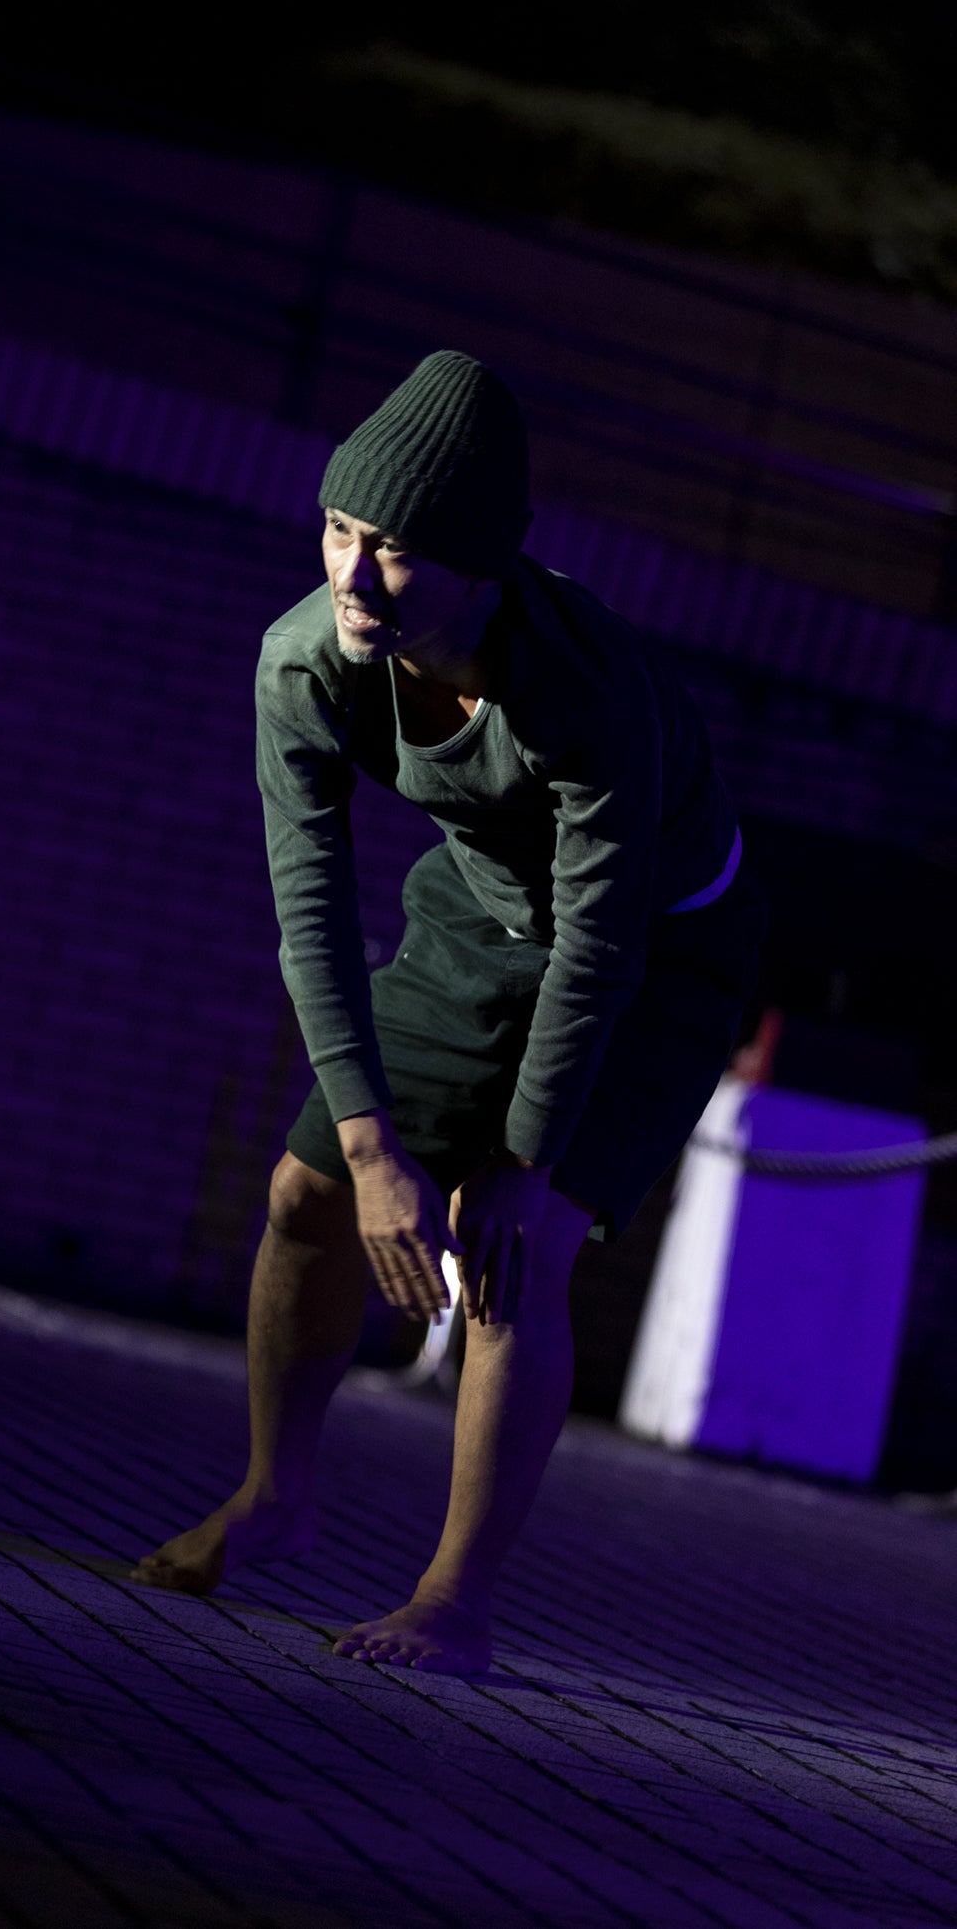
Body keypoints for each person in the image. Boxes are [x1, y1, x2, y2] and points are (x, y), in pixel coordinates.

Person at [133, 349, 764, 1673]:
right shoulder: (305, 661)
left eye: (398, 552)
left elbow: (599, 947)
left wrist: (522, 1165)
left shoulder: (585, 688)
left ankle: (452, 1600)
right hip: (477, 917)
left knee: (512, 1251)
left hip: (661, 949)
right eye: (339, 530)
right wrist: (370, 1149)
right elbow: (311, 906)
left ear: (484, 570)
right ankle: (275, 1497)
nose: (354, 577)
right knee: (305, 1190)